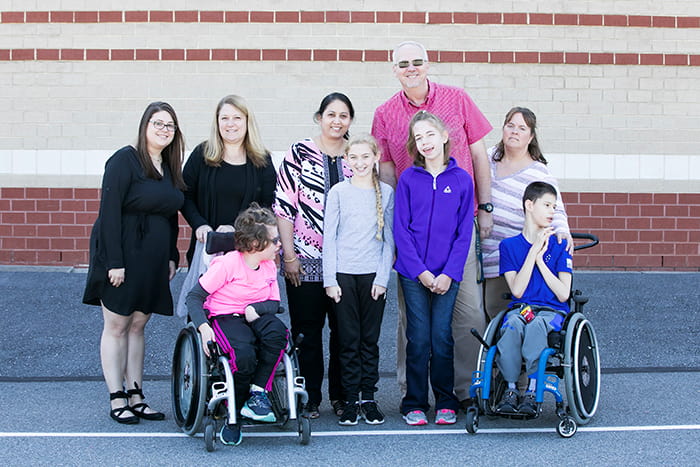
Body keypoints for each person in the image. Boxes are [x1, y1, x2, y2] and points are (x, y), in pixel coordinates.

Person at [371, 40, 493, 407]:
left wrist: (484, 207)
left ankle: (466, 390)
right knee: (415, 321)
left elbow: (478, 155)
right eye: (403, 63)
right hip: (412, 235)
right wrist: (393, 231)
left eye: (417, 62)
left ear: (428, 64)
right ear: (394, 70)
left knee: (468, 311)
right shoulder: (384, 113)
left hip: (458, 228)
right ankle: (414, 393)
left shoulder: (458, 100)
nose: (411, 68)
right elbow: (388, 171)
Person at [82, 101, 185, 424]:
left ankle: (136, 394)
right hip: (121, 256)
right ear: (145, 126)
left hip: (153, 260)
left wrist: (172, 255)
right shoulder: (124, 160)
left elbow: (170, 216)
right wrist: (114, 262)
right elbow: (108, 212)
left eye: (170, 125)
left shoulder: (169, 167)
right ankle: (117, 397)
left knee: (139, 325)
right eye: (158, 123)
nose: (164, 130)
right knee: (117, 325)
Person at [274, 92, 355, 419]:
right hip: (304, 260)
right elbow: (283, 206)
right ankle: (308, 397)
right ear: (319, 117)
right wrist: (289, 255)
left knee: (343, 331)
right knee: (306, 331)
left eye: (344, 115)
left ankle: (340, 396)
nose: (337, 121)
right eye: (331, 114)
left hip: (347, 263)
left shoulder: (356, 154)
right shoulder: (299, 153)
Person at [394, 111, 474, 425]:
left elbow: (464, 233)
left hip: (447, 274)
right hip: (414, 274)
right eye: (418, 138)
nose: (425, 142)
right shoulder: (409, 179)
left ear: (443, 136)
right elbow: (401, 229)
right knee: (418, 337)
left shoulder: (461, 180)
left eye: (429, 135)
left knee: (441, 337)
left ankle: (446, 400)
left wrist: (447, 273)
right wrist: (421, 272)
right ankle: (413, 401)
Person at [186, 204, 288, 446]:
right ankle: (234, 411)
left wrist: (256, 309)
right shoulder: (228, 264)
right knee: (243, 353)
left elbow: (275, 303)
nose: (279, 244)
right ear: (255, 245)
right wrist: (203, 327)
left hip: (255, 315)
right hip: (225, 315)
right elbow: (194, 297)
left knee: (278, 333)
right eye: (274, 240)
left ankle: (258, 393)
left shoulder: (269, 265)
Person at [322, 134, 395, 426]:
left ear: (376, 157)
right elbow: (329, 237)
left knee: (369, 341)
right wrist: (330, 279)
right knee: (348, 341)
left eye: (366, 157)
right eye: (354, 158)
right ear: (346, 161)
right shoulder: (339, 191)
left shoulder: (386, 192)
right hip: (343, 276)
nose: (360, 163)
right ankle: (350, 399)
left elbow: (389, 240)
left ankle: (369, 398)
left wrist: (382, 278)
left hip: (372, 277)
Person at [481, 107, 572, 319]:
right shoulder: (487, 158)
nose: (514, 132)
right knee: (476, 316)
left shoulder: (539, 172)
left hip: (512, 257)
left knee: (499, 315)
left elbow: (553, 206)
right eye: (510, 126)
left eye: (522, 128)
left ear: (531, 137)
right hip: (480, 251)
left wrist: (562, 230)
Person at [495, 181, 573, 416]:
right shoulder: (508, 246)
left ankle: (531, 389)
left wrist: (541, 260)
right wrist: (533, 252)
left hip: (551, 312)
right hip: (522, 307)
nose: (552, 212)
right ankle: (510, 389)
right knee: (511, 325)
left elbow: (563, 293)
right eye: (547, 205)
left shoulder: (560, 244)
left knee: (537, 325)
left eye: (554, 207)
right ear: (529, 205)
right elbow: (517, 290)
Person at [181, 94, 276, 267]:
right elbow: (185, 195)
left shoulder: (262, 160)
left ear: (247, 121)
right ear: (217, 122)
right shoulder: (201, 155)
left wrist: (237, 228)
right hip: (206, 253)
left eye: (237, 118)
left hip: (249, 254)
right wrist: (199, 224)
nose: (230, 124)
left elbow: (268, 207)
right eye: (224, 118)